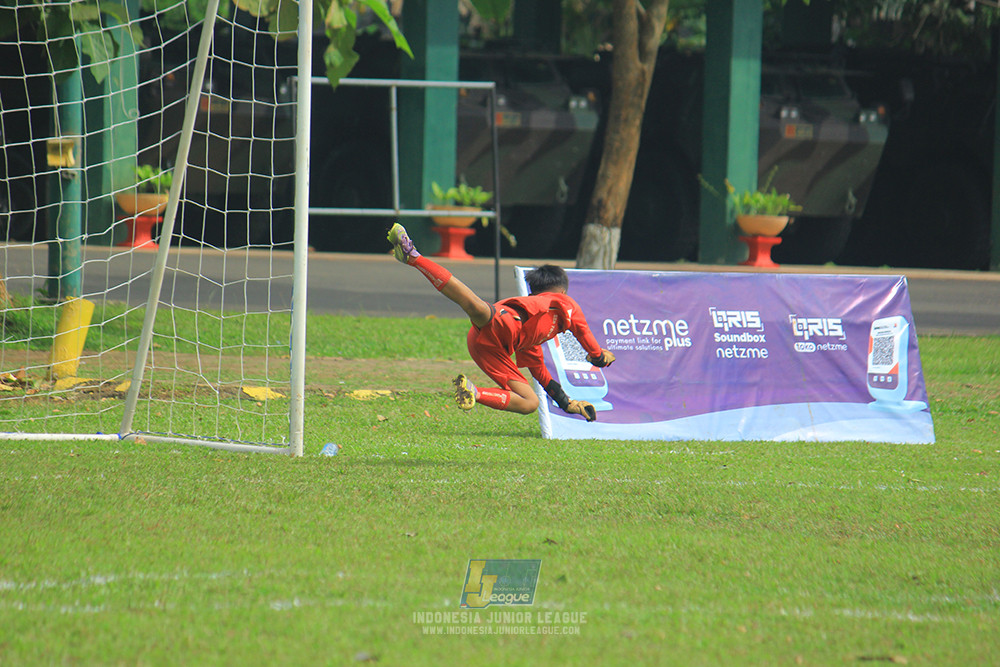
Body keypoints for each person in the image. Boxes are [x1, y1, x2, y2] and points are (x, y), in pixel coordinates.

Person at [386, 222, 615, 421]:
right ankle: (413, 256)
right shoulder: (565, 303)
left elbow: (541, 374)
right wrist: (598, 355)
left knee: (529, 403)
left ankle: (474, 392)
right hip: (505, 321)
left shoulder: (536, 335)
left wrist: (567, 404)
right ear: (561, 290)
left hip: (487, 349)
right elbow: (583, 331)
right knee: (473, 304)